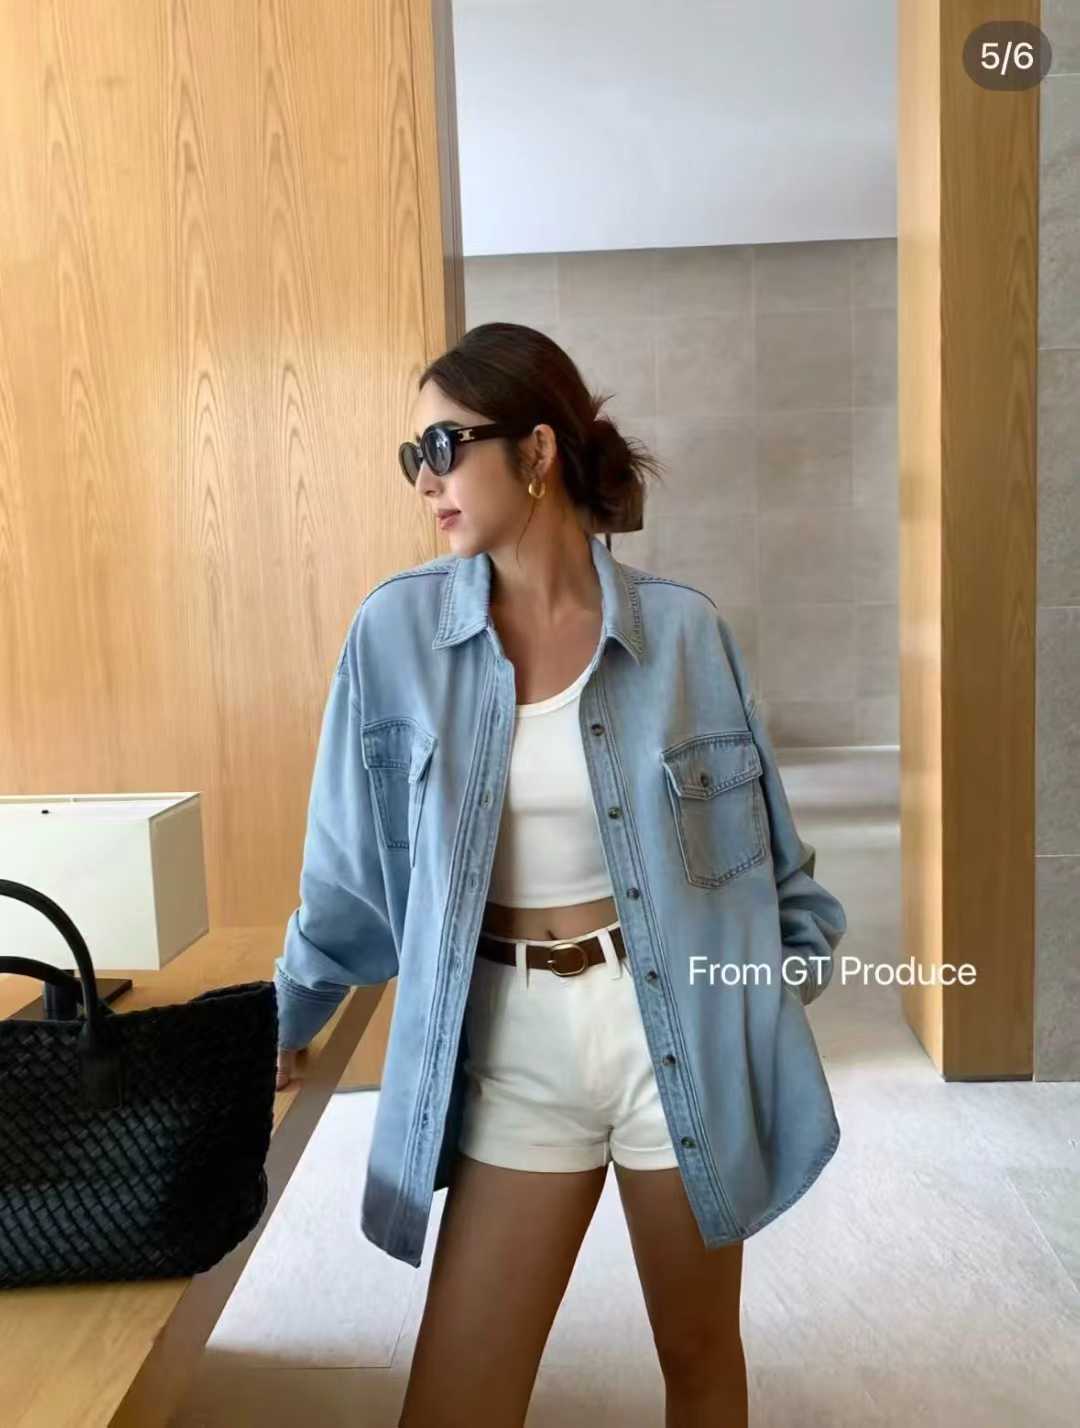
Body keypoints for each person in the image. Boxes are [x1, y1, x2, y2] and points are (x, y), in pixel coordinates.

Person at [273, 322, 848, 1428]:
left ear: (536, 451)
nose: (424, 480)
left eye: (444, 447)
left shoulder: (683, 635)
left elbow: (780, 879)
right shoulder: (395, 635)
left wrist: (760, 999)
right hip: (515, 1046)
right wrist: (285, 1019)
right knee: (455, 1401)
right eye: (413, 457)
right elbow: (348, 883)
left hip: (669, 1035)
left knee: (699, 1359)